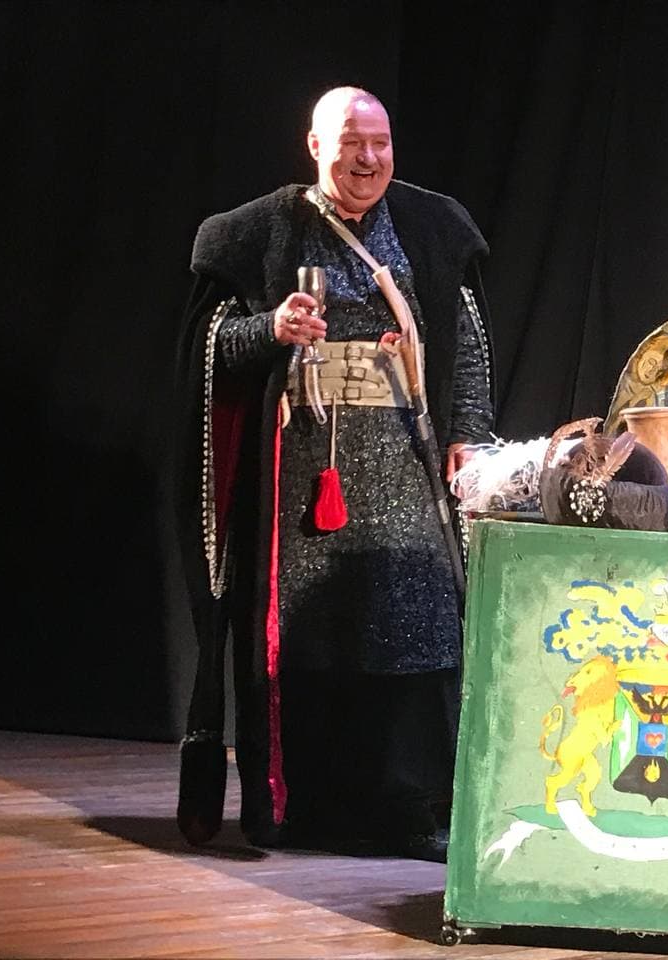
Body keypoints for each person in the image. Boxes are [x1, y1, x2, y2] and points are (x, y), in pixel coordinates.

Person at [174, 87, 494, 862]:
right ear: (316, 146)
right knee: (315, 637)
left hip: (404, 461)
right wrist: (271, 328)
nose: (369, 159)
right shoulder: (256, 232)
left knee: (413, 632)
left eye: (380, 143)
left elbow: (466, 343)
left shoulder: (430, 225)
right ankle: (307, 805)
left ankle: (413, 808)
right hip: (305, 467)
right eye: (352, 143)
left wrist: (469, 435)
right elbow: (210, 352)